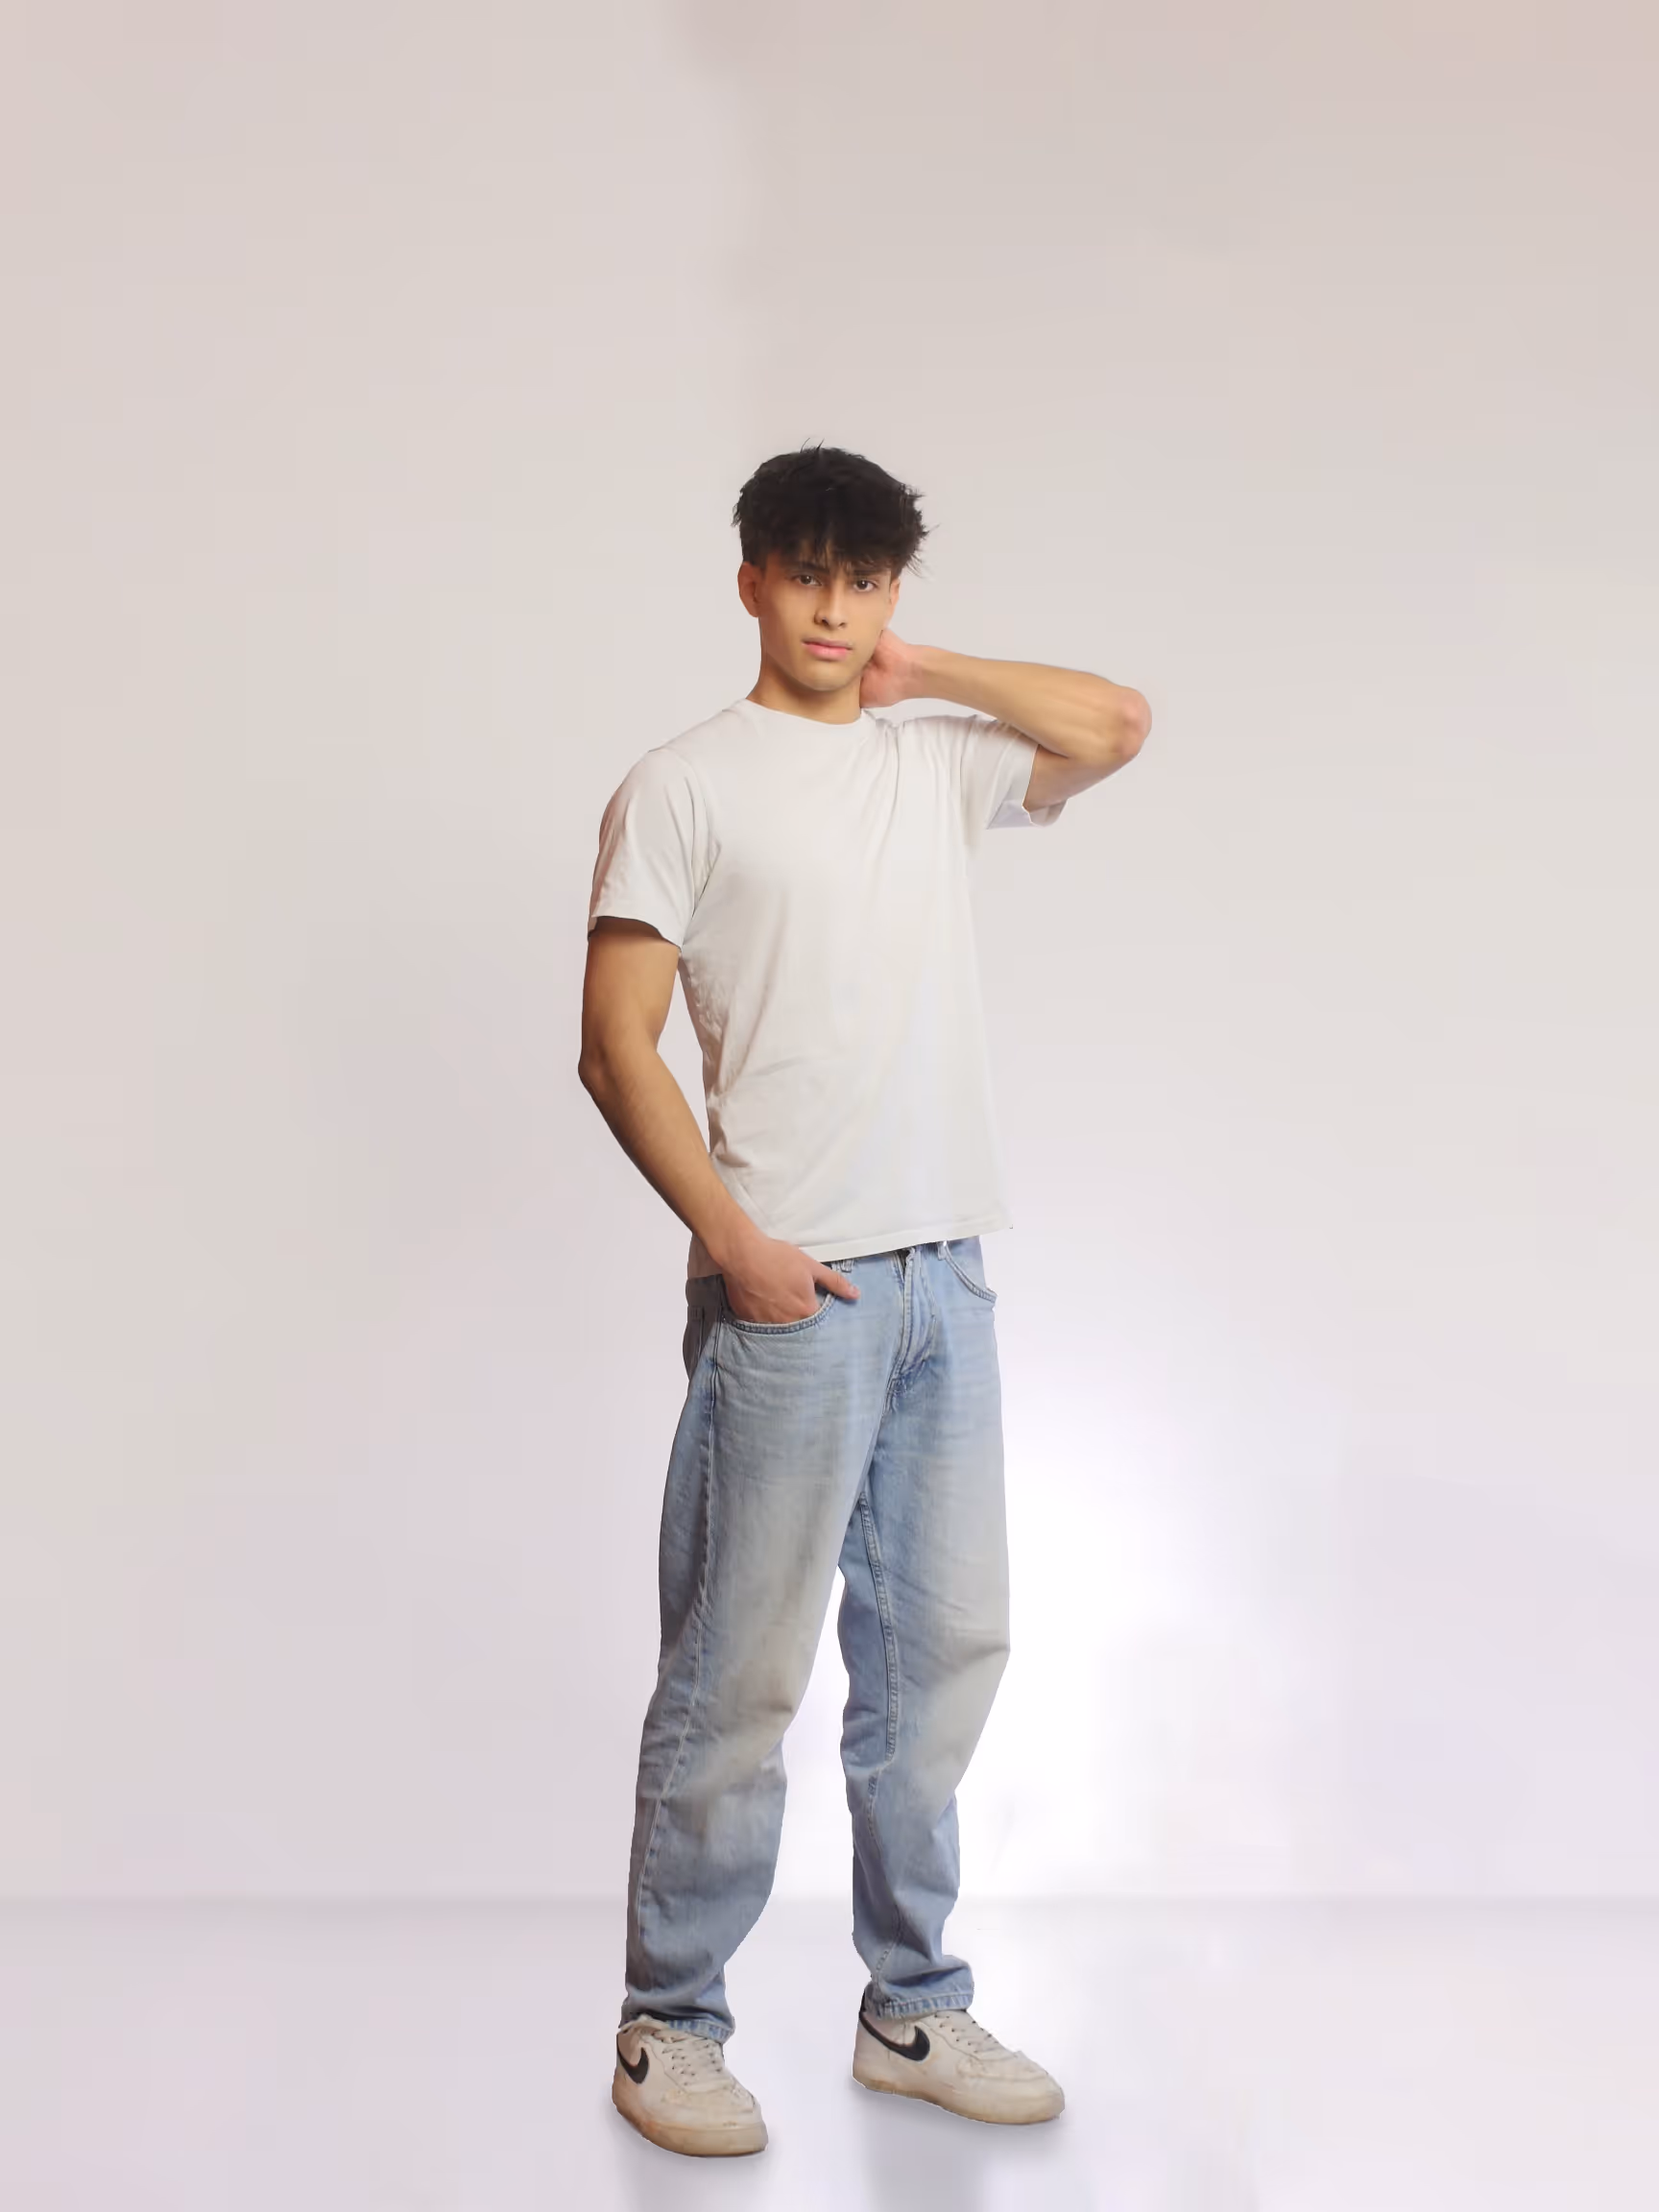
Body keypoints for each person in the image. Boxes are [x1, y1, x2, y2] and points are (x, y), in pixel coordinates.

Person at [578, 442, 1150, 2158]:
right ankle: (669, 2027)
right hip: (792, 1295)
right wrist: (734, 1240)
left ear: (892, 592)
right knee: (738, 1677)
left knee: (942, 1657)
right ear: (751, 579)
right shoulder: (682, 785)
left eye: (866, 581)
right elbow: (615, 1047)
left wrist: (926, 671)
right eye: (809, 575)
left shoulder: (932, 756)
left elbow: (1116, 724)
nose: (833, 610)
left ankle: (913, 2006)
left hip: (945, 1280)